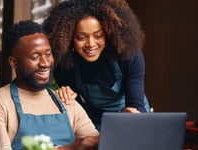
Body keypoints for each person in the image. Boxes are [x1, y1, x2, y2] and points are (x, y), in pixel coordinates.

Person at [0, 20, 99, 150]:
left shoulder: (65, 100)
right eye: (35, 57)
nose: (45, 63)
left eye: (48, 54)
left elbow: (95, 143)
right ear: (14, 63)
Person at [42, 0, 150, 129]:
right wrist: (66, 98)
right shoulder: (64, 65)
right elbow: (78, 113)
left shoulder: (128, 55)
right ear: (69, 38)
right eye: (81, 38)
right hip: (95, 122)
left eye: (98, 36)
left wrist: (130, 115)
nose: (91, 44)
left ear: (109, 34)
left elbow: (137, 107)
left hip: (132, 118)